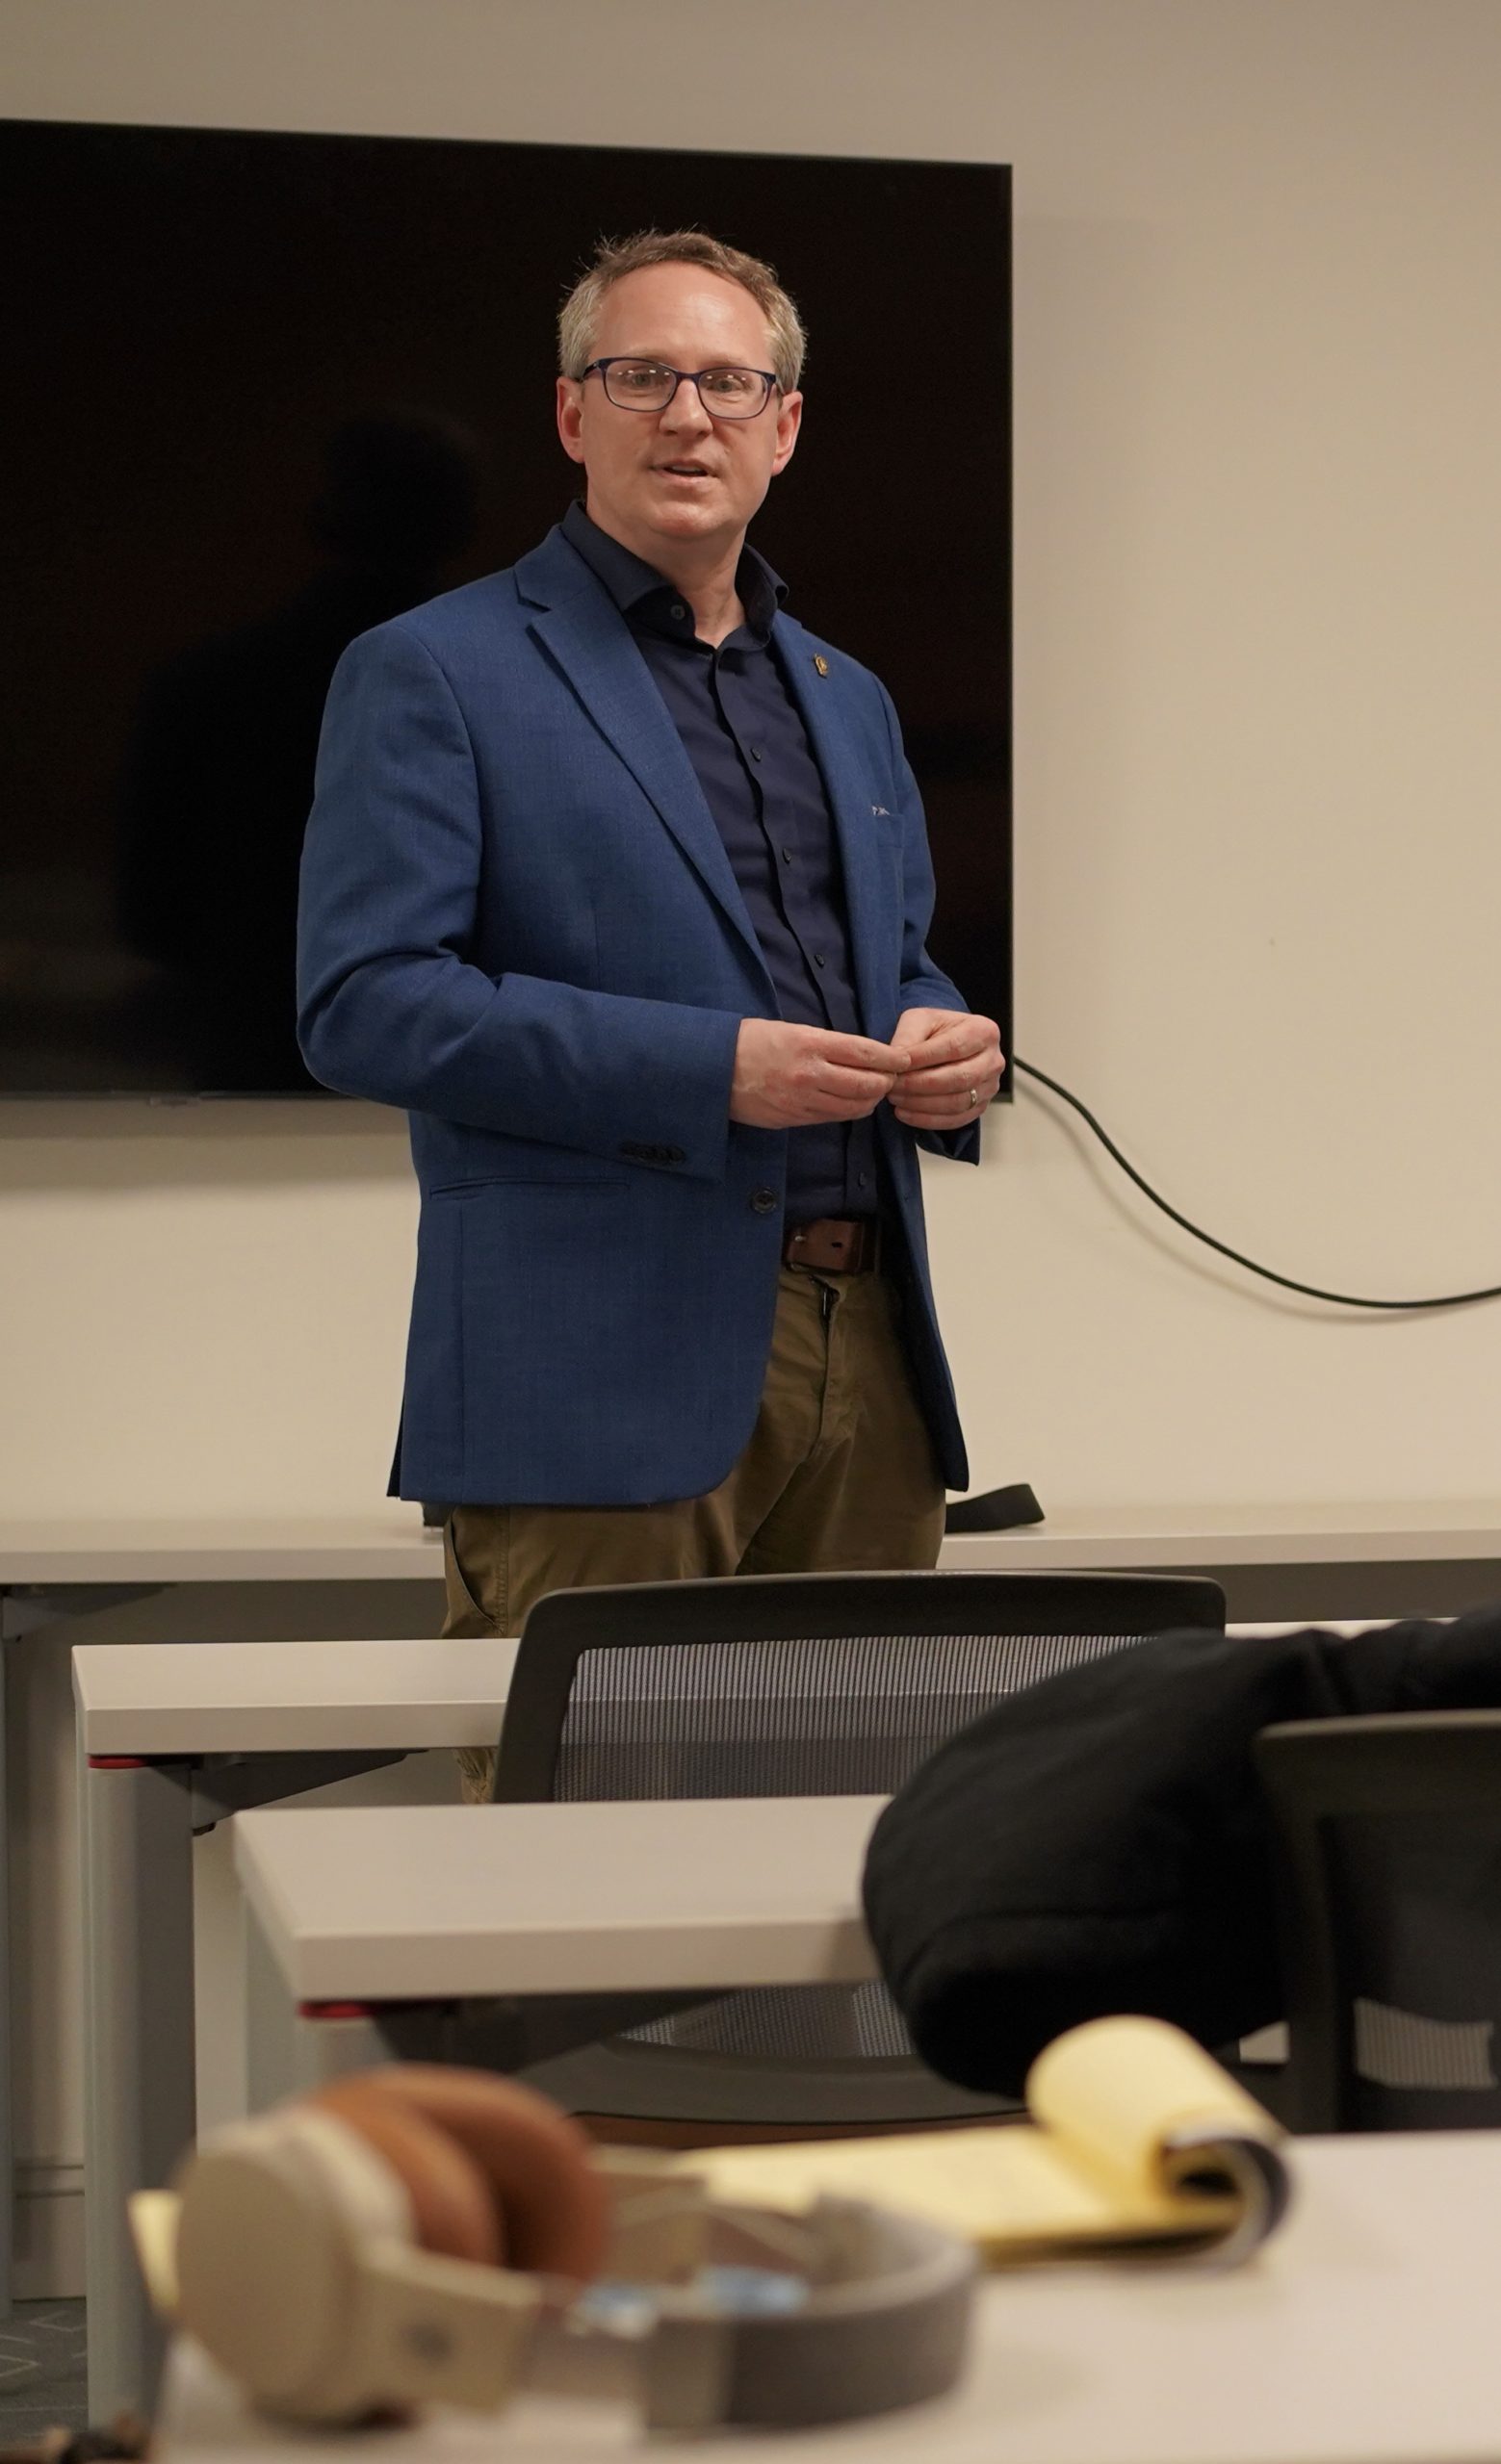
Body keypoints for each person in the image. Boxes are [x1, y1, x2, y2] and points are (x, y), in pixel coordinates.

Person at [297, 231, 1004, 1796]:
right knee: (573, 1868)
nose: (689, 417)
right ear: (573, 416)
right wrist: (712, 1071)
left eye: (730, 383)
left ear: (785, 426)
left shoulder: (846, 688)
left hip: (869, 1357)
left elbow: (891, 963)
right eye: (644, 378)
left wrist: (948, 1044)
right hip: (592, 1379)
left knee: (857, 1865)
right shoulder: (435, 671)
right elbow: (364, 1006)